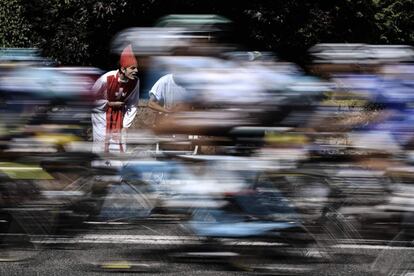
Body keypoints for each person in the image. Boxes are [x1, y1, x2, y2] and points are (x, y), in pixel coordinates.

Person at [91, 44, 140, 153]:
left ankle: (117, 167)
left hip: (119, 114)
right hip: (101, 113)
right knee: (102, 142)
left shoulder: (135, 82)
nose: (136, 70)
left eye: (136, 67)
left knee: (120, 141)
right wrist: (109, 104)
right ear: (123, 69)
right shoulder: (106, 79)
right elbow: (91, 98)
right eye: (132, 68)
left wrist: (126, 125)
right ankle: (99, 166)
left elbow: (133, 103)